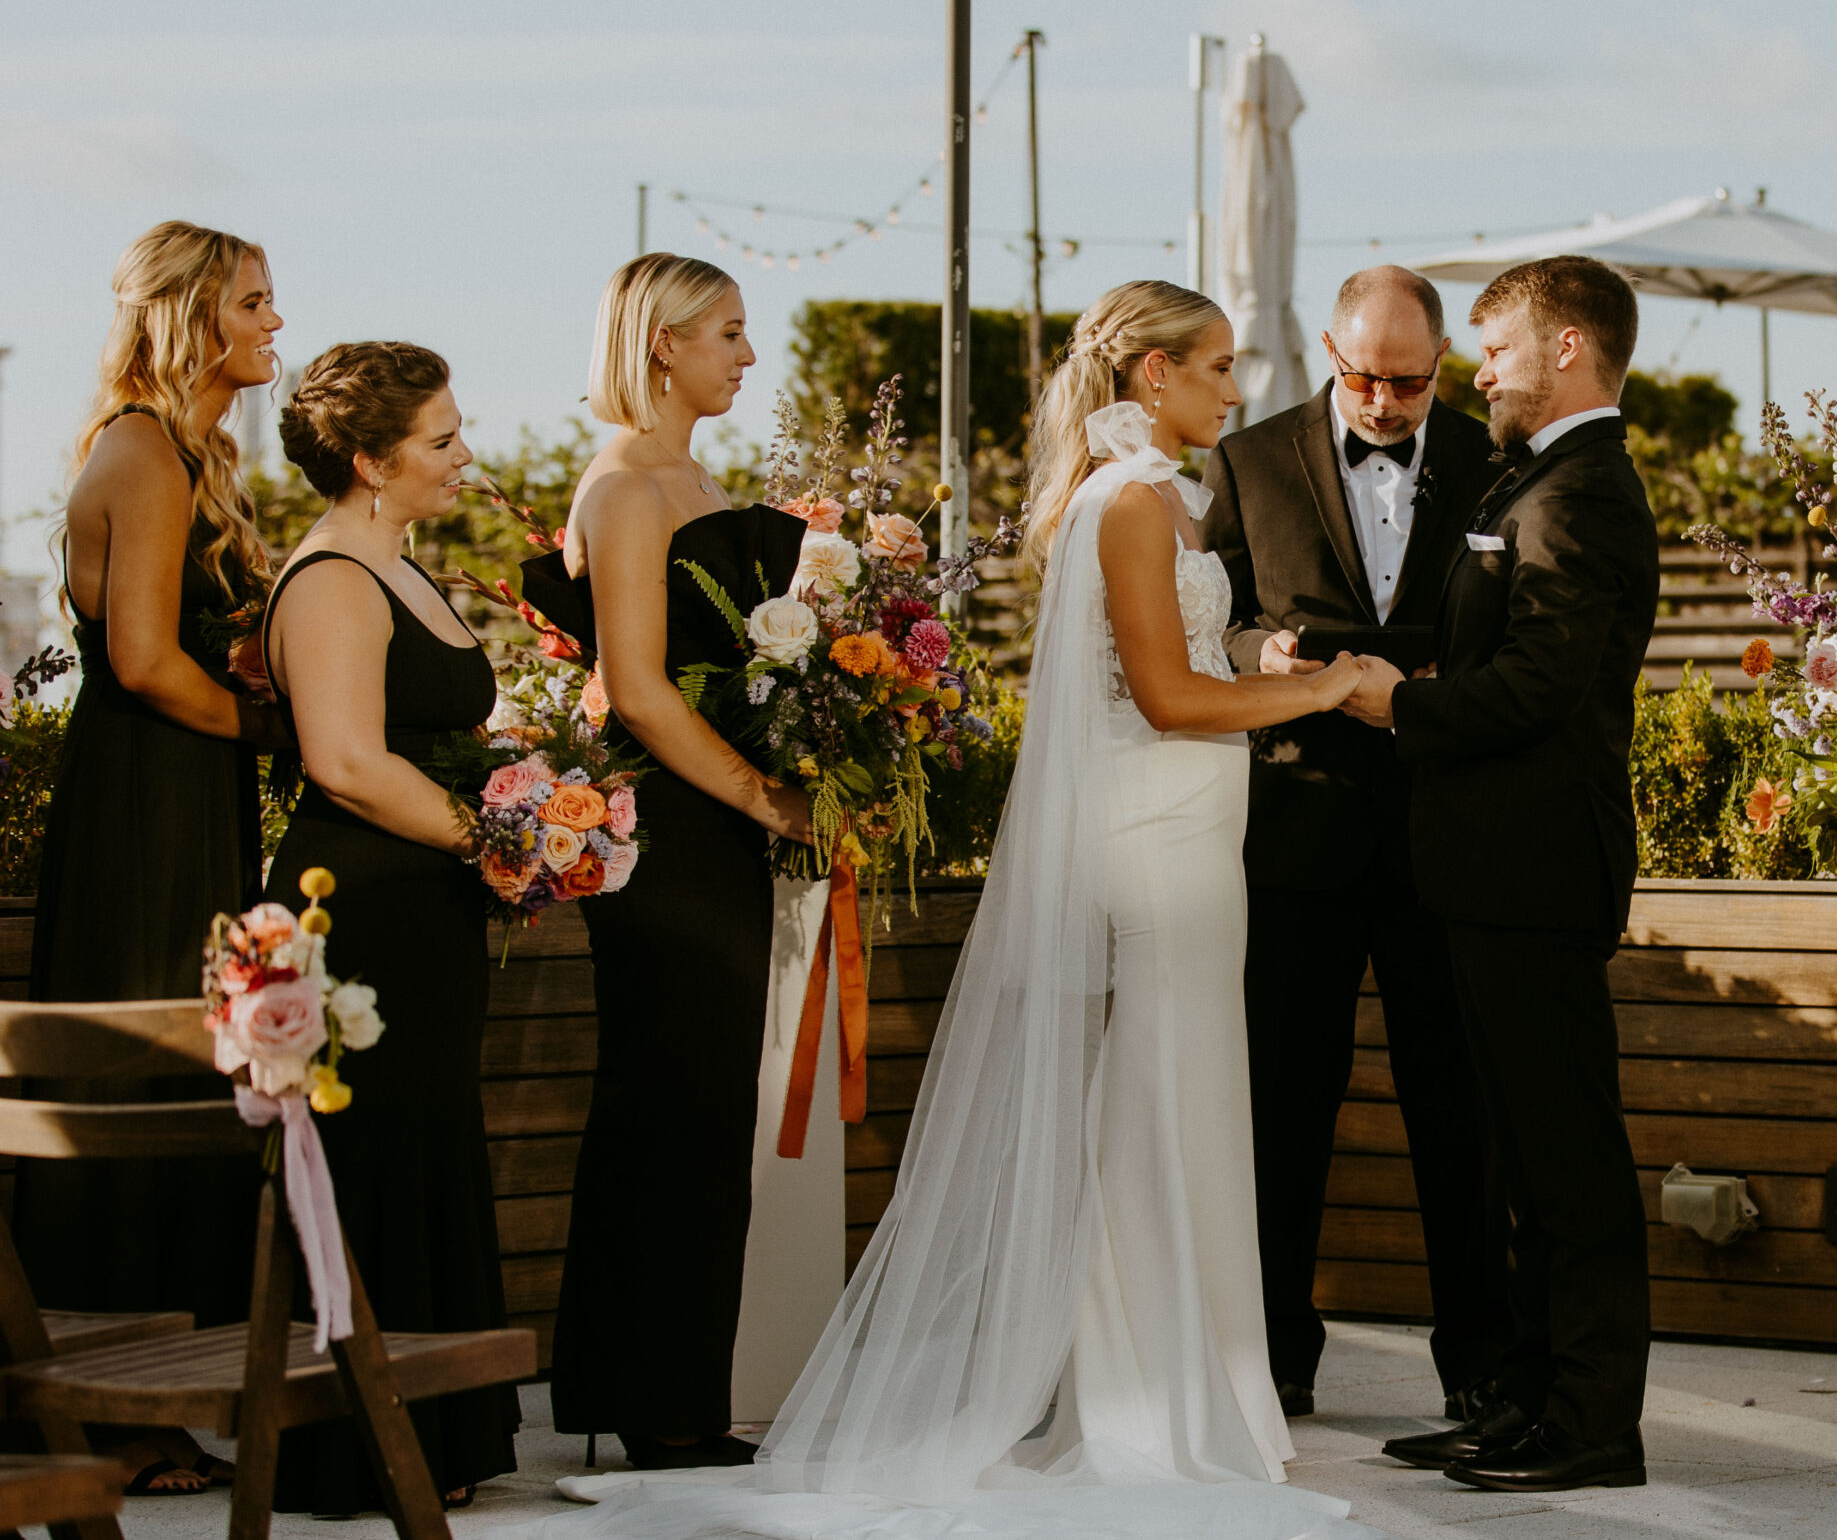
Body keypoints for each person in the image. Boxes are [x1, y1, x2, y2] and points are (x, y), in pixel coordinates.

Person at [540, 282, 1376, 1540]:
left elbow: (1167, 672)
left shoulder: (1148, 499)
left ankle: (1162, 1391)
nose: (1233, 387)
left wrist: (1251, 665)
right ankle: (1153, 1405)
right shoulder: (1133, 504)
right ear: (1149, 378)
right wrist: (1329, 693)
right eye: (1214, 364)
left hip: (1181, 829)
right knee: (1163, 1110)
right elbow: (1160, 698)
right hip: (1145, 843)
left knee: (1169, 1111)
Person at [1342, 255, 1660, 1495]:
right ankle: (1524, 1403)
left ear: (1568, 348)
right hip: (1484, 871)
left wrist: (1396, 709)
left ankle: (1594, 1424)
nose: (1480, 373)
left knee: (1566, 1162)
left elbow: (1541, 683)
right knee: (1520, 1158)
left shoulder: (1583, 490)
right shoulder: (1536, 476)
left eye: (1498, 348)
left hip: (1535, 870)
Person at [1198, 265, 1509, 1424]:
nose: (1384, 400)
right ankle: (1276, 1356)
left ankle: (1480, 1361)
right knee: (1280, 1108)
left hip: (1446, 830)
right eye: (1364, 375)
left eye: (1410, 382)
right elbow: (1210, 616)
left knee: (1461, 1113)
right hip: (1296, 833)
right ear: (1329, 347)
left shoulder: (1492, 459)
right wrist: (1262, 657)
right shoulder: (1248, 457)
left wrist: (1442, 682)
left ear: (1443, 366)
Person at [521, 256, 813, 1471]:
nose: (749, 356)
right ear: (661, 346)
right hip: (668, 835)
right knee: (668, 1106)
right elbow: (637, 690)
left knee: (705, 1113)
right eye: (730, 334)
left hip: (718, 825)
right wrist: (765, 794)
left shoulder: (694, 476)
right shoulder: (629, 485)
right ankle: (647, 1400)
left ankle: (679, 1389)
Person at [18, 220, 289, 1497]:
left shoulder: (192, 447)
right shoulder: (143, 449)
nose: (273, 326)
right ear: (191, 316)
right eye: (252, 303)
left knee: (185, 1068)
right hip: (146, 796)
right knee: (139, 1075)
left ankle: (155, 1390)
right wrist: (275, 727)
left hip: (181, 787)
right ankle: (104, 1413)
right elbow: (139, 660)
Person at [259, 343, 518, 1513]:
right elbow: (348, 760)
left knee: (426, 1137)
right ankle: (356, 1448)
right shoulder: (328, 579)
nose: (465, 457)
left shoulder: (403, 566)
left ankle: (437, 1436)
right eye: (441, 440)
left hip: (424, 902)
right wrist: (489, 838)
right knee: (370, 1156)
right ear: (370, 461)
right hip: (356, 904)